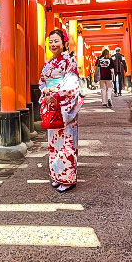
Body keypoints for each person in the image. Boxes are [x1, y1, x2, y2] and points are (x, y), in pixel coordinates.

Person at [39, 29, 84, 193]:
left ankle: (68, 178)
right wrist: (45, 91)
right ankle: (57, 176)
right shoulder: (48, 63)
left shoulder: (69, 61)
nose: (53, 44)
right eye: (50, 41)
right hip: (52, 104)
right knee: (53, 144)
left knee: (66, 143)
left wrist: (56, 96)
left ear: (64, 43)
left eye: (56, 41)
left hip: (64, 107)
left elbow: (71, 85)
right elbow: (42, 82)